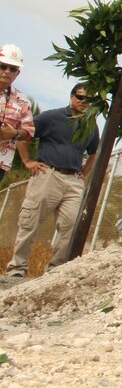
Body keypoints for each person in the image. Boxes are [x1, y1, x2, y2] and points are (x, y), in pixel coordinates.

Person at [5, 83, 100, 278]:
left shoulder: (91, 125)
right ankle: (17, 269)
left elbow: (93, 152)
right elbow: (25, 134)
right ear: (71, 97)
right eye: (80, 97)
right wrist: (28, 161)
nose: (84, 102)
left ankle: (56, 272)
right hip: (48, 176)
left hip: (73, 181)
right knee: (30, 223)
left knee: (71, 226)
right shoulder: (51, 117)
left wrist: (85, 172)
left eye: (88, 100)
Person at [0, 44, 35, 184]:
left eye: (13, 68)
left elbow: (28, 131)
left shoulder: (23, 101)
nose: (7, 71)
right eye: (3, 66)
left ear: (17, 73)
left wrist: (14, 133)